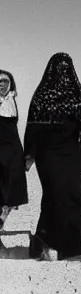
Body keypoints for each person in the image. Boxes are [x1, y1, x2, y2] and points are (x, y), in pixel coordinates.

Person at [24, 53, 81, 261]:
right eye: (59, 68)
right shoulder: (42, 96)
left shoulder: (77, 96)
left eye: (66, 68)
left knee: (72, 197)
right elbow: (32, 129)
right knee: (54, 196)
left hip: (72, 154)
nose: (63, 73)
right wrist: (29, 154)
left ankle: (69, 248)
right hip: (48, 154)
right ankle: (43, 242)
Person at [0, 69, 28, 250]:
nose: (1, 84)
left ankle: (1, 222)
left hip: (13, 151)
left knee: (14, 190)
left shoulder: (12, 101)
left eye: (5, 81)